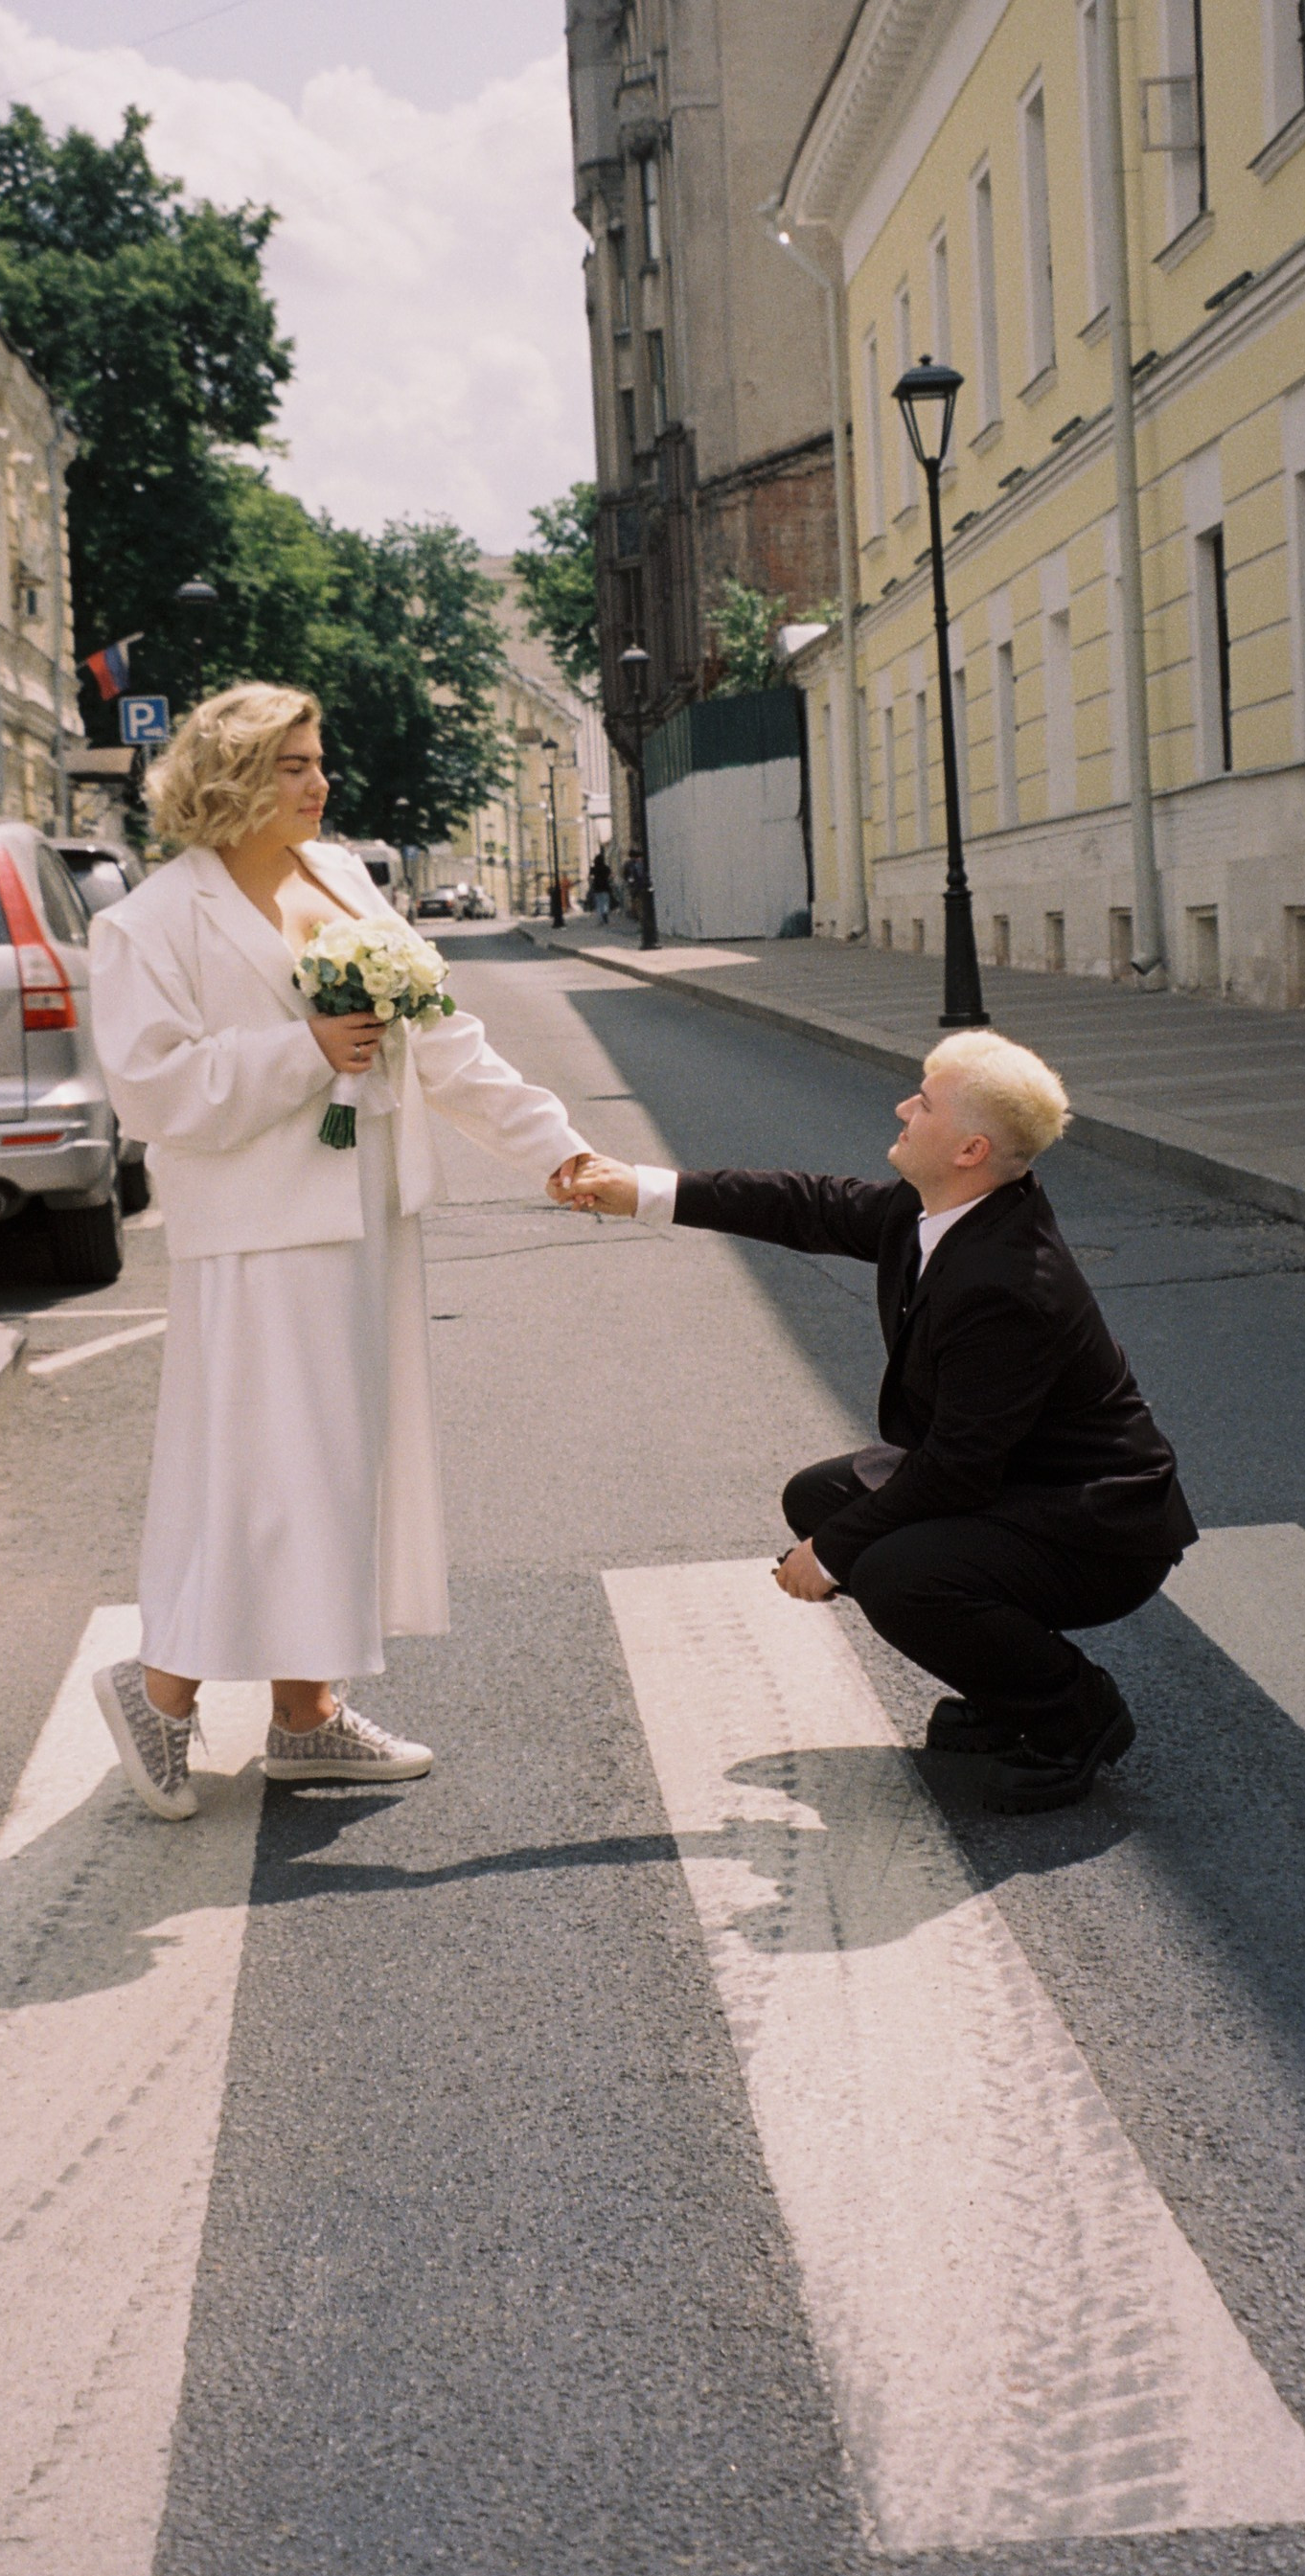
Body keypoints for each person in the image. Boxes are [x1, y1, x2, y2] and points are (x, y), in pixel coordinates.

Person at [86, 681, 590, 1817]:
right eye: (291, 766)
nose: (319, 783)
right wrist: (305, 1050)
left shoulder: (345, 878)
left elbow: (444, 1039)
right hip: (259, 1233)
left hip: (363, 1213)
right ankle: (157, 1690)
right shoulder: (150, 923)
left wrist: (556, 1150)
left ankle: (305, 1715)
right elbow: (156, 1091)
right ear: (227, 780)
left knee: (340, 1465)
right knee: (259, 1468)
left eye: (319, 761)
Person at [549, 1032, 1195, 1812]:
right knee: (822, 1498)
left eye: (922, 1100)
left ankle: (1074, 1713)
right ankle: (1003, 1683)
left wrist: (834, 1554)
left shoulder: (1008, 1282)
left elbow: (956, 1467)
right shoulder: (943, 1210)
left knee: (892, 1571)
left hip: (1094, 1530)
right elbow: (802, 1203)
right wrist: (646, 1189)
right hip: (1017, 1483)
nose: (901, 1106)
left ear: (969, 1147)